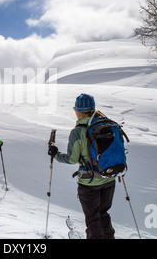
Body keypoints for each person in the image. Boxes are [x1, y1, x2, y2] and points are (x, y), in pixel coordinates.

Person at [48, 94, 116, 239]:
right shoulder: (107, 125)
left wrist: (55, 154)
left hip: (89, 182)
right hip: (109, 178)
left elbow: (72, 159)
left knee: (93, 219)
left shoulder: (78, 131)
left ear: (78, 111)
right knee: (103, 215)